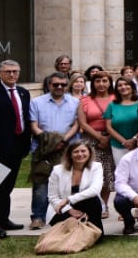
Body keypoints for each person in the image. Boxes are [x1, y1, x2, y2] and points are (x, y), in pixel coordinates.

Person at [0, 59, 33, 239]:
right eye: (8, 72)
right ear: (0, 74)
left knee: (9, 185)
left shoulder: (23, 93)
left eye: (15, 71)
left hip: (18, 146)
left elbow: (25, 118)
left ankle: (4, 218)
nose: (12, 74)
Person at [28, 72, 79, 229]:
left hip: (67, 147)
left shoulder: (75, 102)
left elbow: (77, 124)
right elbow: (33, 125)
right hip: (43, 149)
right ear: (49, 85)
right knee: (41, 183)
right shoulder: (37, 102)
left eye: (63, 85)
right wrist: (49, 141)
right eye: (55, 84)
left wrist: (63, 141)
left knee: (67, 183)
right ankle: (38, 217)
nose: (59, 87)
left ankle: (65, 214)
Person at [76, 70, 118, 205]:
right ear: (92, 83)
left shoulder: (116, 98)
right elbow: (82, 122)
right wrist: (99, 138)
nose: (101, 84)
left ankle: (104, 204)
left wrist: (108, 138)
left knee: (108, 173)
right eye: (97, 81)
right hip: (91, 139)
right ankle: (94, 203)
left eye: (104, 81)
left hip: (113, 138)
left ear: (110, 83)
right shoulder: (85, 100)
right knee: (92, 173)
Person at [46, 139, 104, 235]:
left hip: (86, 205)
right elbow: (52, 197)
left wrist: (68, 199)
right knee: (69, 232)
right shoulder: (57, 170)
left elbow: (95, 190)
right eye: (76, 151)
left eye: (83, 151)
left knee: (93, 200)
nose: (80, 154)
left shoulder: (96, 167)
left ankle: (94, 232)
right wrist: (69, 210)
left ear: (89, 153)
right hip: (62, 208)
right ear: (70, 155)